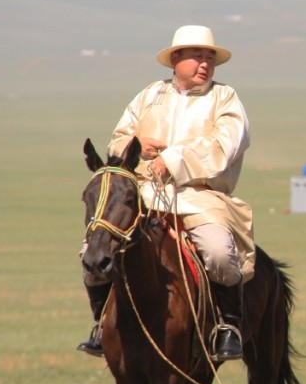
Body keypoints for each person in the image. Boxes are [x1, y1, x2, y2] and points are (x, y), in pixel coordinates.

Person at [78, 25, 253, 362]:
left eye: (209, 58)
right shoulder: (148, 96)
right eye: (197, 56)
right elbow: (118, 140)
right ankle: (101, 323)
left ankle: (229, 325)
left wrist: (171, 161)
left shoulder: (225, 98)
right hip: (142, 195)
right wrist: (135, 146)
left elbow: (225, 144)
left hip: (200, 194)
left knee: (217, 251)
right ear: (175, 59)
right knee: (93, 248)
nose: (205, 64)